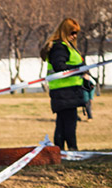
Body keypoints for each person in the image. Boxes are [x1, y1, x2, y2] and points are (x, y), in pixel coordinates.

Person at [40, 17, 90, 151]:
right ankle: (72, 150)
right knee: (69, 123)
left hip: (67, 90)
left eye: (76, 33)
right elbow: (59, 66)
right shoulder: (60, 47)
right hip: (65, 91)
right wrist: (80, 69)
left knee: (62, 123)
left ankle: (59, 151)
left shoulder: (66, 46)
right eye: (72, 33)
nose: (75, 36)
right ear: (65, 31)